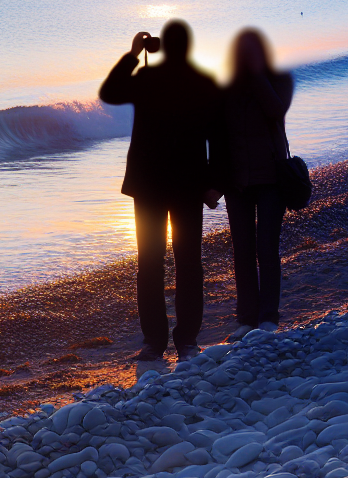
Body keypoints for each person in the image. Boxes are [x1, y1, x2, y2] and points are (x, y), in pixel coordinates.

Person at [99, 20, 222, 362]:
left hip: (150, 185)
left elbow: (110, 92)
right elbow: (220, 138)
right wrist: (215, 184)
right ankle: (186, 340)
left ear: (163, 46)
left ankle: (155, 341)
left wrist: (133, 55)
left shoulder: (147, 78)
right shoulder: (203, 83)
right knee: (188, 263)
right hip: (187, 185)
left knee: (151, 263)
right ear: (188, 46)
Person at [218, 28, 294, 340]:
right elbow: (219, 136)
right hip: (237, 182)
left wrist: (257, 76)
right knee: (243, 252)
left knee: (267, 248)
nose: (249, 57)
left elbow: (277, 110)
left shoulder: (280, 80)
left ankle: (269, 317)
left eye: (254, 51)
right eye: (244, 52)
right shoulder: (227, 89)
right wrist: (216, 180)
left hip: (272, 178)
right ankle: (246, 318)